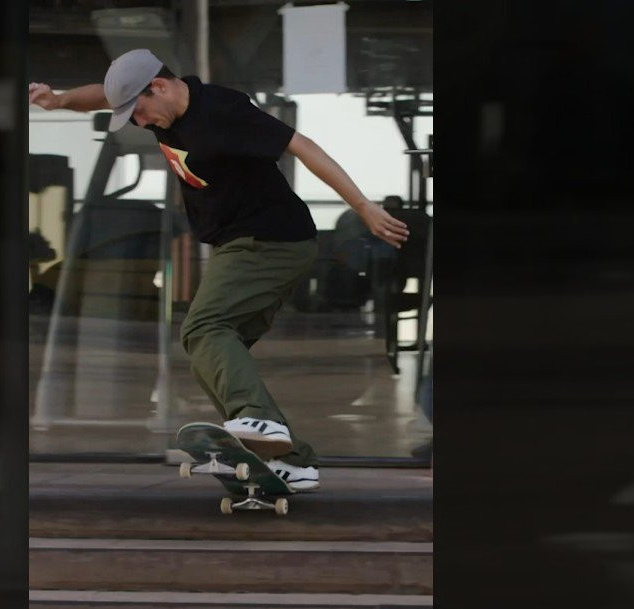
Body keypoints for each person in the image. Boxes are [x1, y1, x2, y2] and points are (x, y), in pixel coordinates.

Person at [28, 49, 409, 491]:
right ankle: (291, 461)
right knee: (213, 355)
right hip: (241, 244)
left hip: (271, 240)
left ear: (160, 86)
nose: (141, 123)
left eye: (141, 112)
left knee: (204, 330)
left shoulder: (225, 111)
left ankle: (259, 423)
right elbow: (103, 94)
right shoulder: (158, 100)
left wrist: (362, 206)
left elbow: (302, 146)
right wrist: (58, 101)